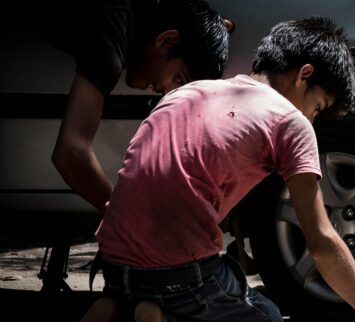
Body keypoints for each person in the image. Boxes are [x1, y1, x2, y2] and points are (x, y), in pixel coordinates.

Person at [50, 16, 355, 322]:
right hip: (175, 279)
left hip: (115, 265)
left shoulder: (186, 91)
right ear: (305, 75)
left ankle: (101, 320)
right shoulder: (289, 123)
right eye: (318, 106)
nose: (312, 118)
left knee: (183, 277)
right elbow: (322, 242)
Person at [17, 0, 230, 213]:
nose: (167, 94)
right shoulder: (112, 26)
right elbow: (72, 153)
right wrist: (130, 218)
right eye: (179, 80)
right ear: (166, 40)